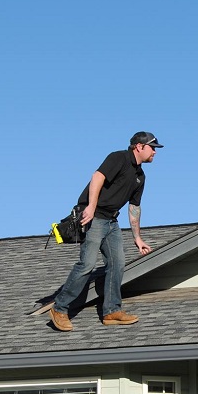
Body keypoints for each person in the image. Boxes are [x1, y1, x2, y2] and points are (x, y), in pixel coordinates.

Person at [49, 131, 163, 331]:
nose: (155, 152)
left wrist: (137, 238)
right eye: (152, 148)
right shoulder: (118, 157)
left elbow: (134, 207)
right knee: (87, 264)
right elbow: (97, 177)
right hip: (94, 218)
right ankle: (60, 308)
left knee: (118, 264)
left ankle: (111, 311)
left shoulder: (140, 176)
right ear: (139, 146)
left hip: (111, 222)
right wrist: (91, 207)